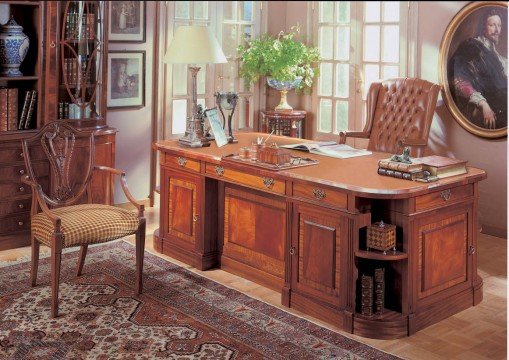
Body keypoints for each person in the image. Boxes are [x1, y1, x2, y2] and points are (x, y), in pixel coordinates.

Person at [448, 8, 507, 129]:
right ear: (483, 27)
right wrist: (483, 104)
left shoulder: (500, 58)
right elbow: (458, 79)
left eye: (499, 26)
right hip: (486, 111)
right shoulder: (471, 46)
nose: (497, 30)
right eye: (492, 25)